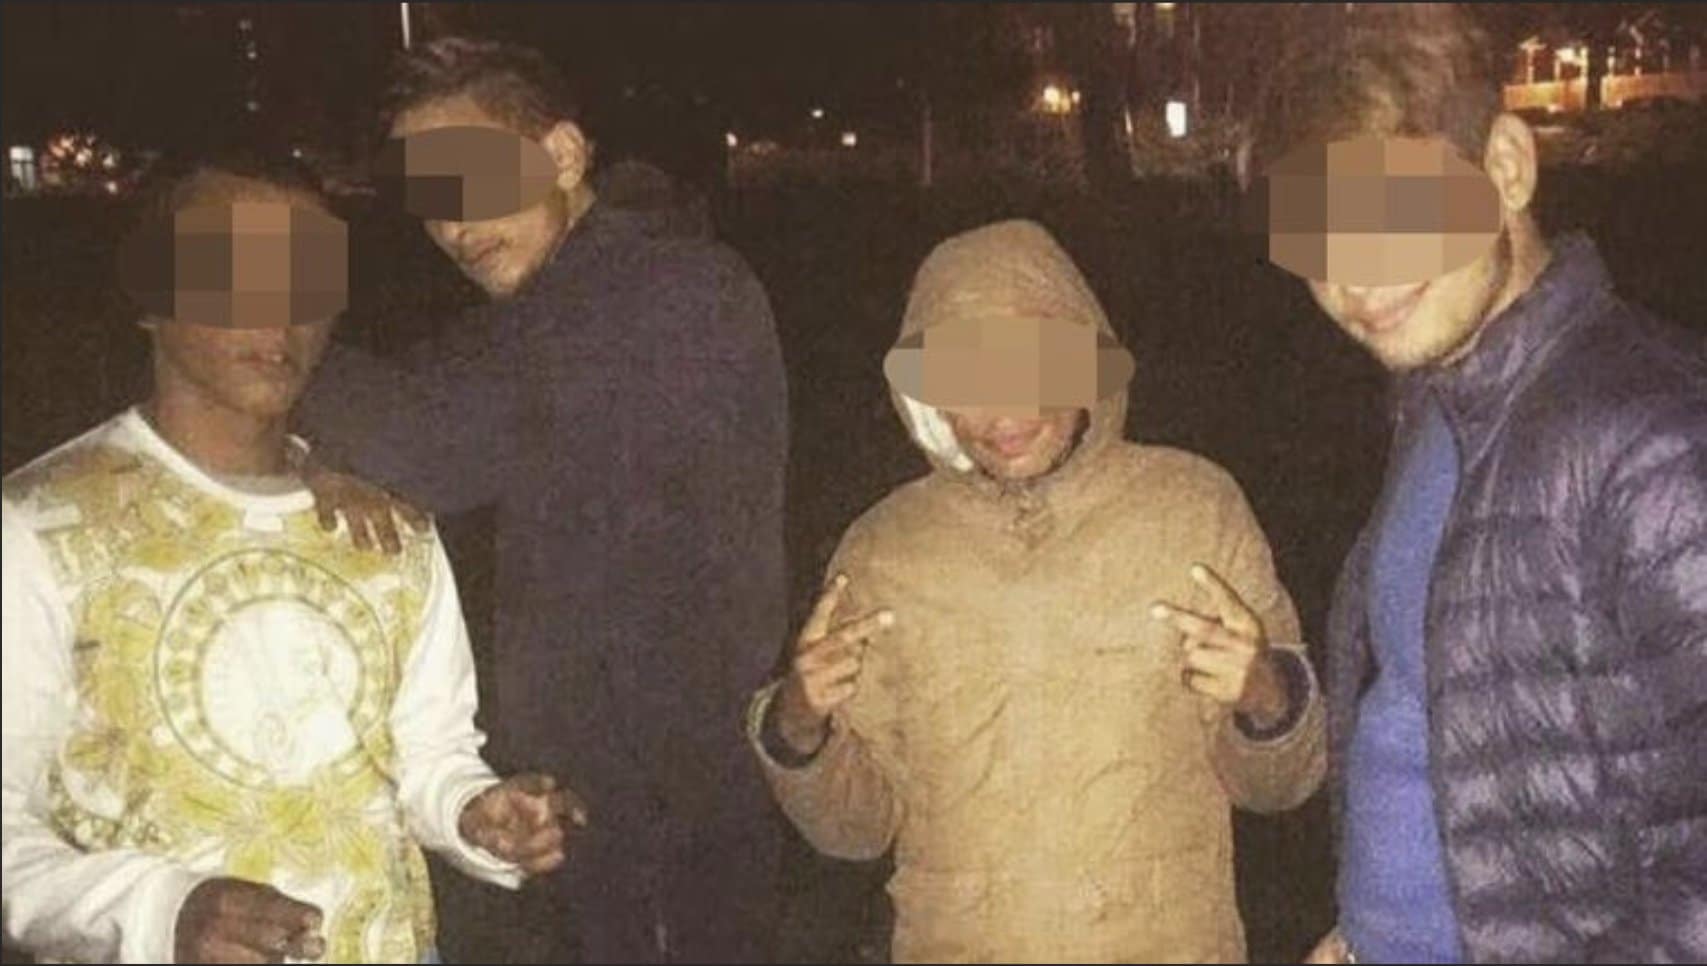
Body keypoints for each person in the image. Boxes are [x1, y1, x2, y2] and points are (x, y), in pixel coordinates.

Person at [1, 158, 575, 965]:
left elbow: (429, 756)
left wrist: (475, 812)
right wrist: (163, 910)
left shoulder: (389, 531)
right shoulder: (37, 526)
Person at [293, 37, 788, 964]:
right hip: (606, 789)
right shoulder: (578, 295)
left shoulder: (659, 294)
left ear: (561, 154)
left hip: (667, 801)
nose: (452, 225)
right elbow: (425, 406)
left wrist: (255, 336)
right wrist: (327, 450)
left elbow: (423, 435)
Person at [1237, 5, 1707, 963]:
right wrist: (1368, 929)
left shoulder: (1651, 437)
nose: (1353, 282)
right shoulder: (1439, 406)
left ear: (1504, 167)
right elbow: (1441, 730)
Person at [747, 219, 1325, 963]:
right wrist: (800, 726)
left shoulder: (1193, 509)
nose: (1002, 415)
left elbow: (1282, 785)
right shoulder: (884, 549)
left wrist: (1265, 696)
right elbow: (855, 830)